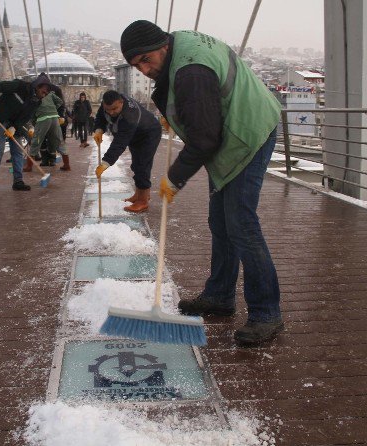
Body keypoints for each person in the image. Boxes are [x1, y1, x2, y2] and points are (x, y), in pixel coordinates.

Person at [120, 20, 283, 346]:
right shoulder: (177, 47)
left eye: (144, 60)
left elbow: (205, 139)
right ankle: (220, 296)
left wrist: (173, 179)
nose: (143, 69)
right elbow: (198, 108)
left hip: (246, 134)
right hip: (230, 128)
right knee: (221, 221)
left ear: (160, 45)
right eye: (136, 65)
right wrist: (175, 110)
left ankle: (267, 313)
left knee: (241, 223)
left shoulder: (191, 72)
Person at [94, 90, 162, 213]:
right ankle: (139, 194)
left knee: (142, 165)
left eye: (114, 109)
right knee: (136, 165)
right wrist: (99, 129)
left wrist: (106, 162)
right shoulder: (107, 104)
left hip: (149, 133)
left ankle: (143, 201)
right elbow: (100, 116)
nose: (111, 112)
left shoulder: (130, 114)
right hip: (136, 135)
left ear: (121, 102)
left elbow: (120, 142)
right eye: (108, 109)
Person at [0, 75, 45, 191]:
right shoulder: (20, 86)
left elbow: (26, 117)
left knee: (17, 150)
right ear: (37, 86)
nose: (44, 94)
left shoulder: (37, 102)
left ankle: (18, 181)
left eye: (47, 93)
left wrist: (14, 127)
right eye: (44, 91)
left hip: (14, 123)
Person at [24, 73, 70, 172]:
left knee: (36, 142)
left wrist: (33, 122)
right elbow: (60, 102)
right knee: (59, 140)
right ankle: (67, 165)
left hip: (43, 119)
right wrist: (53, 109)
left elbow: (31, 111)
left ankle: (28, 166)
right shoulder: (50, 93)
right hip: (54, 118)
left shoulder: (34, 94)